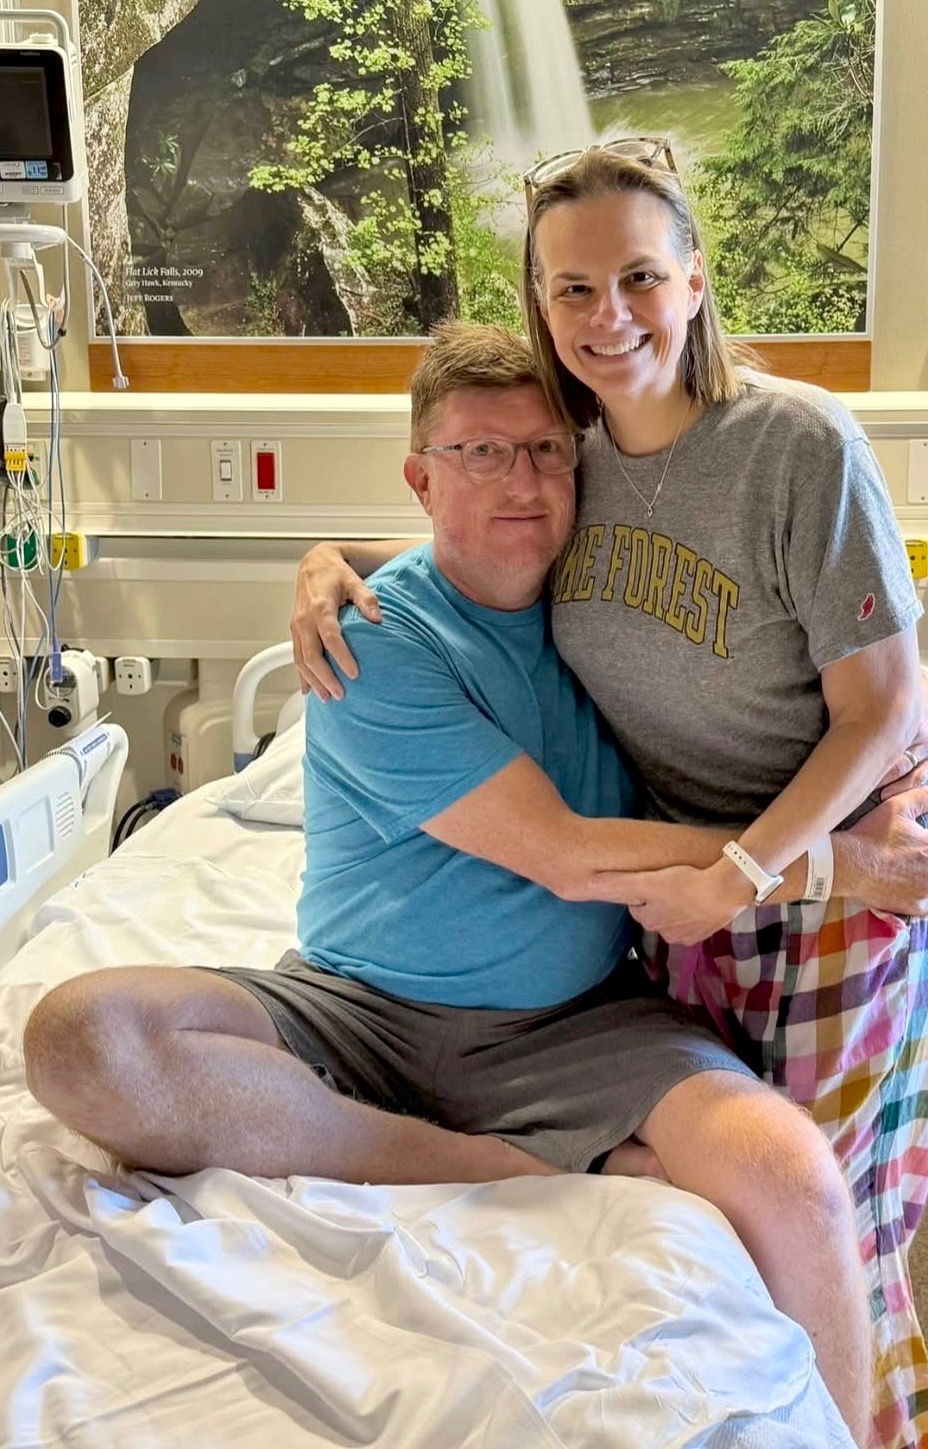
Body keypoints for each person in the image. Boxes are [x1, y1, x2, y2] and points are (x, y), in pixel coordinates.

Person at [24, 323, 926, 1448]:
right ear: (422, 477)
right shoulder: (370, 639)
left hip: (574, 1026)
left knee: (795, 1181)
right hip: (357, 1011)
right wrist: (840, 863)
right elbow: (566, 853)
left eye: (547, 451)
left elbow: (847, 677)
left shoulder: (604, 617)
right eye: (482, 453)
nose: (523, 482)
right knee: (81, 1037)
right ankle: (487, 1160)